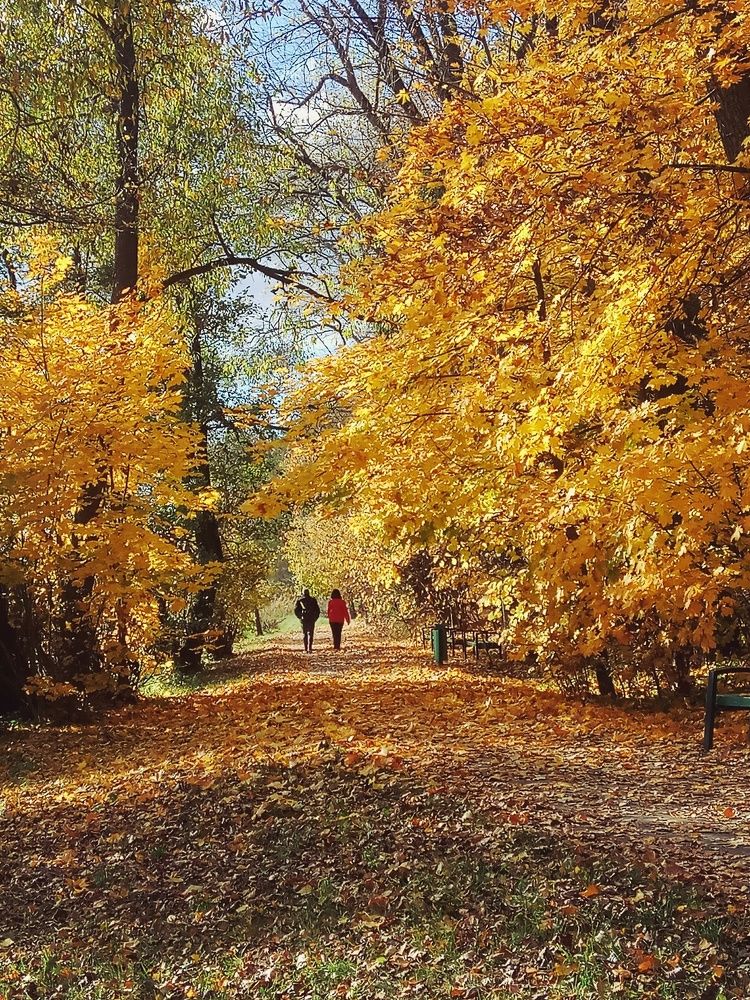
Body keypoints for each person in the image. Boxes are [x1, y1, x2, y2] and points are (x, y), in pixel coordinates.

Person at [294, 589, 321, 653]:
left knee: (305, 633)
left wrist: (300, 616)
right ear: (309, 593)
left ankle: (306, 648)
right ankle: (310, 648)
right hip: (311, 618)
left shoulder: (300, 600)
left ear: (303, 593)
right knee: (311, 633)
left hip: (304, 618)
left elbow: (296, 610)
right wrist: (315, 617)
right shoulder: (313, 600)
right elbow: (317, 610)